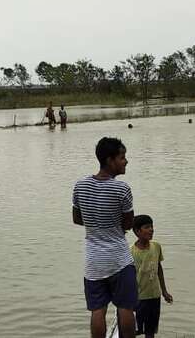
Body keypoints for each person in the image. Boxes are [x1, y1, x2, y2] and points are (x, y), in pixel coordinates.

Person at [73, 137, 137, 338]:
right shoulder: (122, 189)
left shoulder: (80, 185)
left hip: (93, 262)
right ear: (110, 161)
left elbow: (77, 219)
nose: (126, 161)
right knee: (126, 307)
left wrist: (97, 225)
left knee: (97, 310)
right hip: (119, 259)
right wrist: (112, 225)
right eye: (122, 157)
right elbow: (128, 224)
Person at [130, 215, 173, 338]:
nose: (151, 229)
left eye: (152, 226)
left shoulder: (156, 246)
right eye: (147, 227)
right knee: (136, 330)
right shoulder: (131, 252)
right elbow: (129, 278)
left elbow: (159, 269)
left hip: (154, 296)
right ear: (137, 231)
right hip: (139, 298)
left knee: (150, 330)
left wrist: (164, 291)